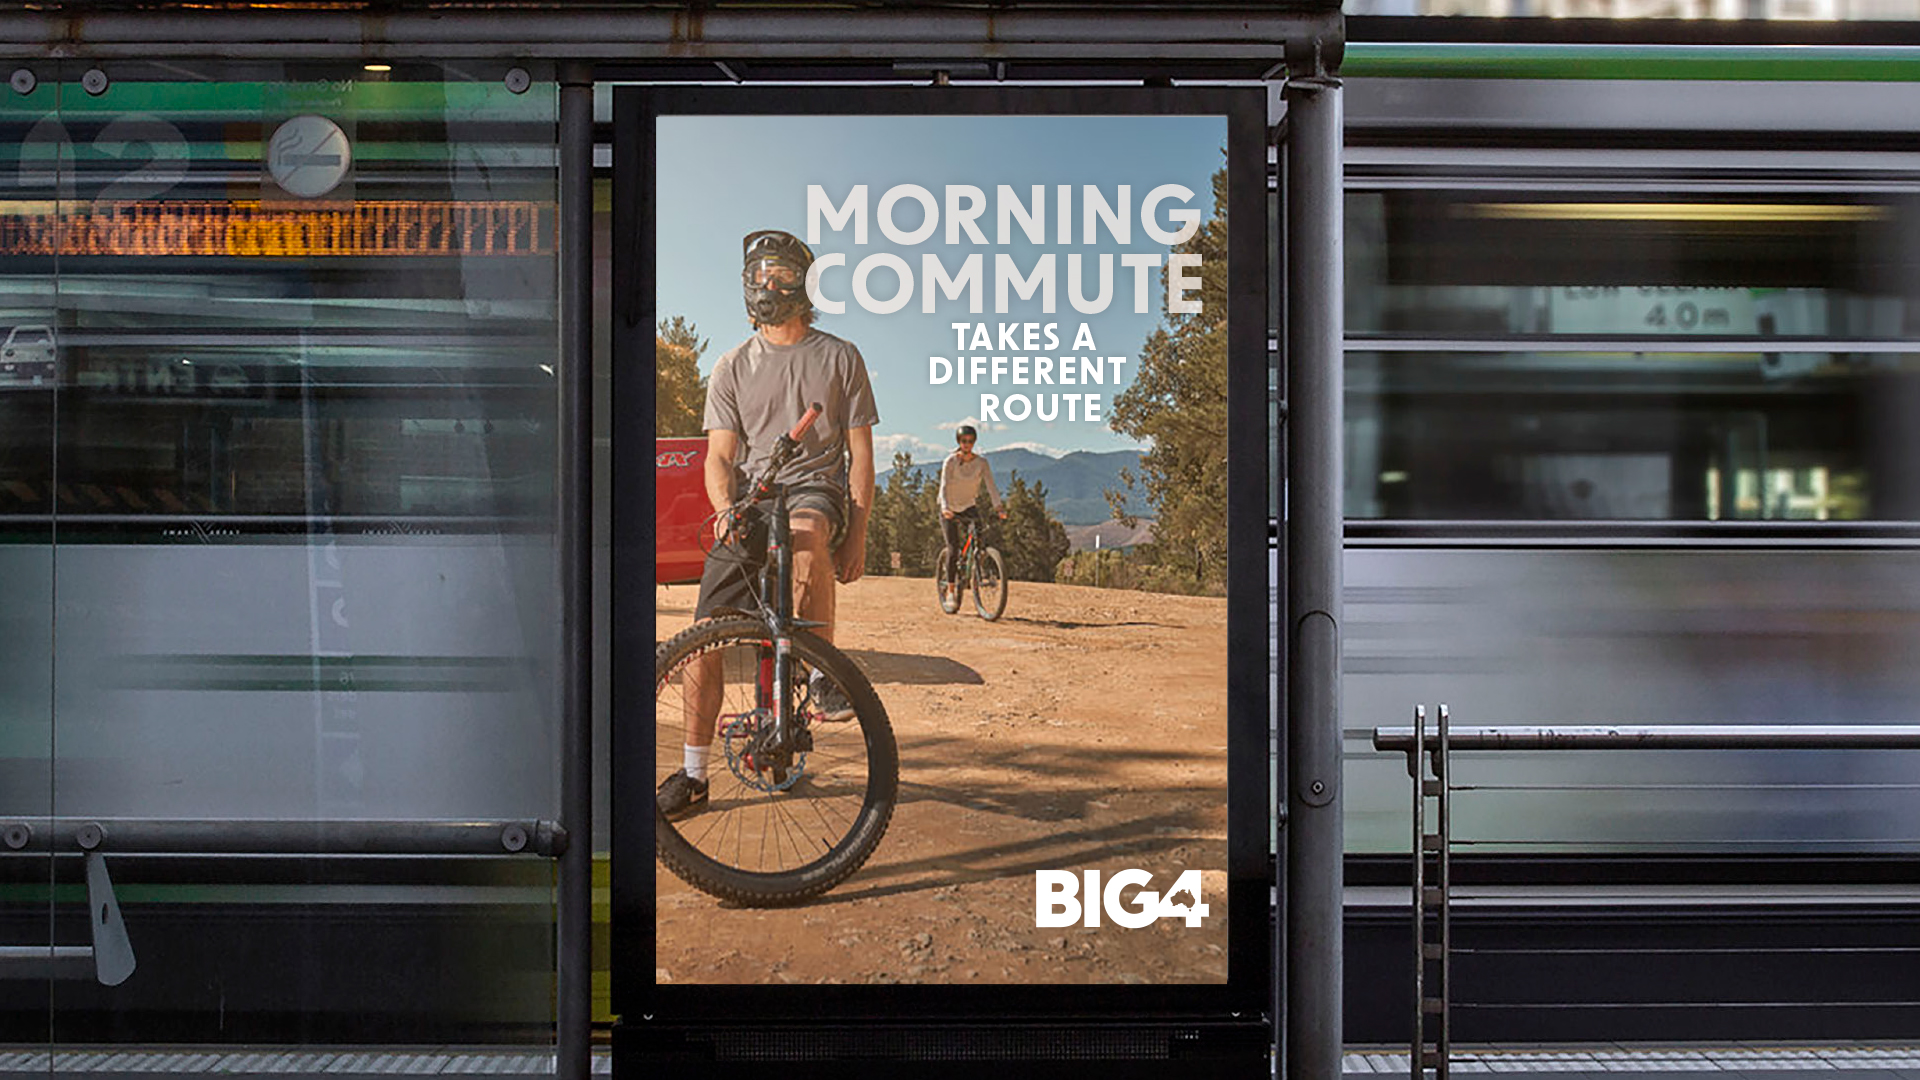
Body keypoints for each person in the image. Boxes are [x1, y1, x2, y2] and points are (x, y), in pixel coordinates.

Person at [657, 229, 878, 820]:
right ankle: (695, 772)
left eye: (779, 274)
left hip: (814, 490)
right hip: (753, 499)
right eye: (758, 274)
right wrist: (727, 509)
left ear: (803, 282)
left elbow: (861, 458)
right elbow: (720, 458)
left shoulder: (840, 356)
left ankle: (821, 678)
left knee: (806, 541)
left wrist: (856, 532)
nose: (767, 285)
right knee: (706, 632)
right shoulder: (731, 366)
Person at [936, 424, 1006, 604]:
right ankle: (951, 591)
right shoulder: (950, 461)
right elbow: (943, 486)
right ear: (959, 442)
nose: (967, 444)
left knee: (980, 537)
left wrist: (999, 507)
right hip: (949, 507)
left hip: (968, 506)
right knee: (953, 548)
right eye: (964, 441)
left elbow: (991, 485)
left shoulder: (981, 463)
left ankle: (977, 571)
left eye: (970, 441)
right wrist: (945, 508)